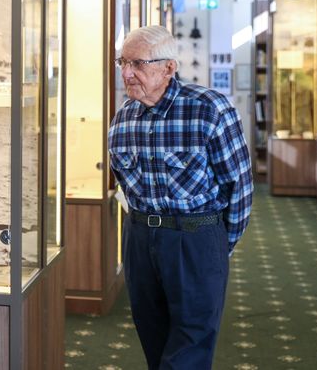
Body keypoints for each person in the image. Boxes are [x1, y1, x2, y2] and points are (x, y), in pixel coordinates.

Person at [107, 25, 252, 370]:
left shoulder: (209, 109)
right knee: (153, 337)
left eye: (138, 64)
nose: (127, 73)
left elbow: (240, 188)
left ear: (168, 68)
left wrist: (214, 245)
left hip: (195, 238)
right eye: (122, 62)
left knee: (190, 345)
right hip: (139, 239)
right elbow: (124, 185)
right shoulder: (123, 118)